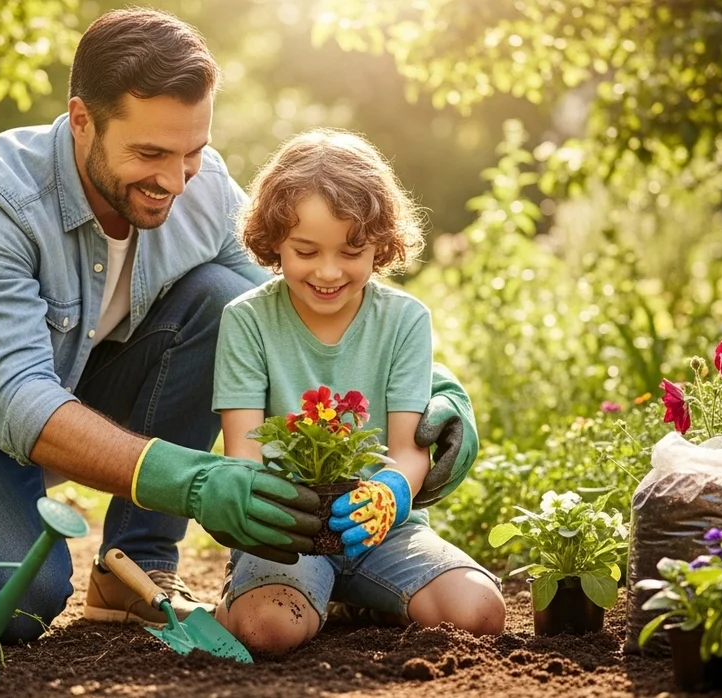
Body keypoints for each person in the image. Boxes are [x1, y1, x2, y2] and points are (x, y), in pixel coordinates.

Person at [0, 8, 479, 644]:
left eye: (192, 151)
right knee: (20, 600)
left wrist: (432, 391)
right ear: (82, 121)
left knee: (223, 299)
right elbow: (17, 401)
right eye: (150, 152)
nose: (174, 179)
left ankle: (134, 566)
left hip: (81, 397)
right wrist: (196, 482)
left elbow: (293, 304)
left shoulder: (199, 185)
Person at [211, 129, 505, 655]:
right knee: (267, 631)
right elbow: (243, 455)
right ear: (274, 240)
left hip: (384, 531)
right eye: (306, 251)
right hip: (285, 533)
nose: (328, 272)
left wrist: (390, 493)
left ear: (380, 245)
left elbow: (409, 449)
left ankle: (361, 597)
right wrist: (263, 518)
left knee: (480, 611)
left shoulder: (405, 320)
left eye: (352, 251)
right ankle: (257, 596)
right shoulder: (247, 320)